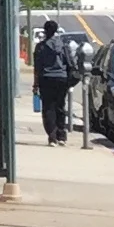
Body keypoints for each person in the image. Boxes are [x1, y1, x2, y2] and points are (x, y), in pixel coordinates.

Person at [33, 16, 74, 146]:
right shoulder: (64, 46)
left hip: (46, 78)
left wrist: (36, 84)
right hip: (62, 78)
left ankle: (52, 137)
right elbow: (70, 64)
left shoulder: (40, 47)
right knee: (60, 107)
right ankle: (62, 135)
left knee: (48, 108)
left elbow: (37, 68)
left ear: (45, 31)